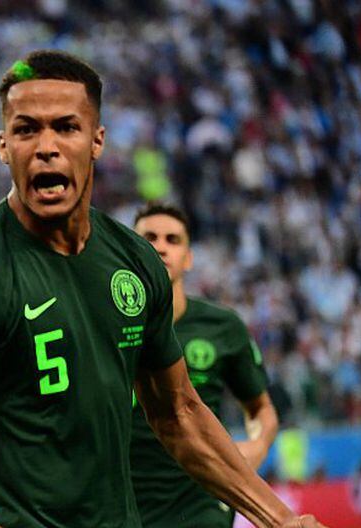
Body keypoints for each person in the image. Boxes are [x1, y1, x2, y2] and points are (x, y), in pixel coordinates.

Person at [0, 50, 324, 528]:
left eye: (66, 127)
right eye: (26, 129)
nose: (46, 146)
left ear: (97, 140)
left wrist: (280, 519)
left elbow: (179, 413)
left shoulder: (134, 261)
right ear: (3, 145)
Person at [130, 203, 279, 528]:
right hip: (123, 502)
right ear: (130, 252)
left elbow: (261, 409)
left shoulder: (223, 326)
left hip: (202, 500)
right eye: (150, 237)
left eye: (173, 240)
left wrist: (257, 446)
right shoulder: (105, 325)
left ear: (189, 258)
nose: (160, 247)